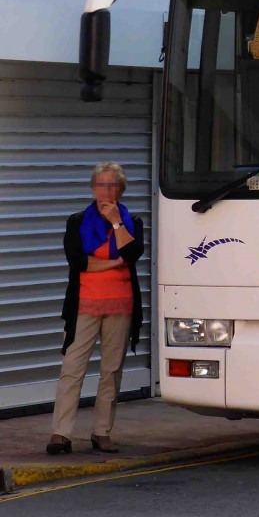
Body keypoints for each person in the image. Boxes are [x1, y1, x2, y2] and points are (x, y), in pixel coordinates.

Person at [47, 162, 144, 456]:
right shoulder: (77, 222)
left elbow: (133, 252)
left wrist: (116, 223)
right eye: (101, 185)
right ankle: (61, 433)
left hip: (120, 304)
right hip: (85, 305)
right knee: (72, 368)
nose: (106, 191)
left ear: (121, 190)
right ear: (92, 189)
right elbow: (79, 262)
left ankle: (102, 432)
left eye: (112, 185)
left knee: (111, 371)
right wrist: (115, 263)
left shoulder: (132, 222)